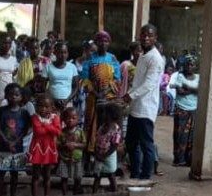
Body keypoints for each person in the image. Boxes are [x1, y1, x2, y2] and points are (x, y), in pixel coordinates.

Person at [124, 24, 164, 181]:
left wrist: (129, 95)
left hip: (146, 108)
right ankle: (135, 173)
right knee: (131, 143)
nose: (146, 37)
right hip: (136, 106)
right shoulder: (142, 56)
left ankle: (145, 176)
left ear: (155, 38)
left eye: (150, 35)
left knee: (146, 144)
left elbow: (149, 84)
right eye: (143, 34)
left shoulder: (155, 59)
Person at [80, 31, 121, 162]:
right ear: (96, 43)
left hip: (109, 98)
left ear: (109, 43)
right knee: (92, 125)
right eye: (100, 41)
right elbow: (85, 80)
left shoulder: (112, 59)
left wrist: (106, 91)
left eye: (106, 41)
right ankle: (91, 154)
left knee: (109, 124)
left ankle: (108, 154)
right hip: (94, 99)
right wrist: (97, 93)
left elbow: (117, 79)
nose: (103, 44)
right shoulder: (90, 59)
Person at [0, 84, 31, 196]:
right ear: (5, 96)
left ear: (21, 97)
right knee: (1, 172)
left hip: (18, 149)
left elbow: (25, 130)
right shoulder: (1, 111)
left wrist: (15, 142)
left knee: (15, 174)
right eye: (10, 94)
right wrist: (6, 141)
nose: (13, 97)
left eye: (17, 95)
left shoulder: (24, 113)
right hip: (2, 148)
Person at [28, 95, 62, 196]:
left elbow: (58, 132)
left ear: (52, 108)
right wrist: (51, 127)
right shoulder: (35, 117)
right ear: (36, 106)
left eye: (46, 107)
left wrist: (45, 125)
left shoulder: (55, 117)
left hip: (49, 148)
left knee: (47, 175)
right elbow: (38, 131)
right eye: (40, 106)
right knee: (35, 175)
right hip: (37, 148)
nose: (43, 109)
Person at [171, 55, 200, 166]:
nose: (189, 66)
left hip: (193, 110)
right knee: (180, 135)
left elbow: (200, 90)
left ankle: (189, 160)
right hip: (181, 109)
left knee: (191, 136)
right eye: (187, 64)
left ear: (195, 66)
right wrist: (194, 90)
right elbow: (180, 92)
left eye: (191, 64)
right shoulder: (180, 76)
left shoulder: (198, 77)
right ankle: (179, 159)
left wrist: (187, 87)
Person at [92, 102, 123, 193]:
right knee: (97, 176)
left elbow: (115, 145)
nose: (103, 115)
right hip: (99, 154)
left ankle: (114, 195)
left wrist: (105, 155)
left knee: (111, 175)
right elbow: (97, 140)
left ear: (112, 115)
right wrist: (96, 153)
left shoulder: (116, 129)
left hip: (109, 156)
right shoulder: (102, 127)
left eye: (105, 113)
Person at [58, 108, 86, 195]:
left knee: (77, 177)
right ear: (64, 120)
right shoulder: (61, 132)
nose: (70, 120)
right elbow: (58, 145)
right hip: (64, 158)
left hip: (77, 158)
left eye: (73, 118)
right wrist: (65, 145)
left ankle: (75, 194)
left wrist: (75, 145)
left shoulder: (80, 131)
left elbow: (84, 144)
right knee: (64, 177)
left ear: (78, 119)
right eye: (68, 118)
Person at [46, 42, 79, 112]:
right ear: (55, 53)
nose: (63, 55)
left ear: (67, 53)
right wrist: (53, 100)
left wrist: (67, 100)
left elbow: (76, 86)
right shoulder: (48, 67)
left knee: (67, 122)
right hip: (52, 104)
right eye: (60, 52)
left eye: (65, 52)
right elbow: (43, 87)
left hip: (67, 103)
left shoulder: (72, 67)